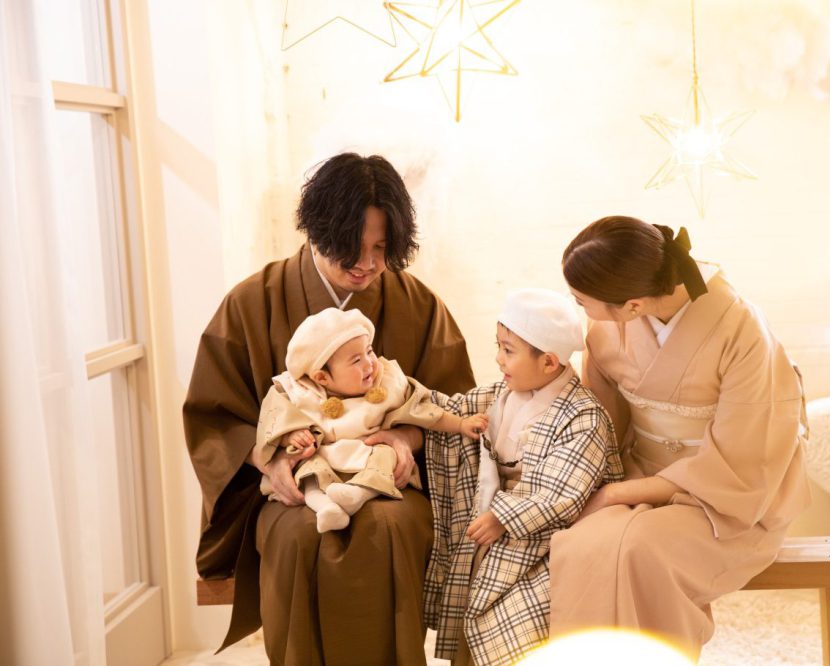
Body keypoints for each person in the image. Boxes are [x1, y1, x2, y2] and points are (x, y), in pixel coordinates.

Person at [183, 152, 475, 665]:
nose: (367, 264)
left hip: (390, 484)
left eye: (381, 248)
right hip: (295, 488)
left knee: (387, 528)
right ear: (317, 231)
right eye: (351, 247)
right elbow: (216, 417)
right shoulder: (252, 302)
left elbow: (455, 405)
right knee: (298, 536)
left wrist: (406, 438)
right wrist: (270, 460)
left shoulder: (417, 304)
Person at [550, 216, 810, 660]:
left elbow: (745, 459)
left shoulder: (742, 330)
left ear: (632, 306)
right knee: (582, 544)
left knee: (642, 549)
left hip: (729, 495)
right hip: (638, 474)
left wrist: (615, 495)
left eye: (581, 301)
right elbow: (599, 420)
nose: (580, 310)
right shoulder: (609, 326)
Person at [423, 288, 625, 666]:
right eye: (498, 346)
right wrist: (404, 416)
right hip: (492, 520)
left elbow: (562, 491)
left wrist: (503, 517)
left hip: (544, 536)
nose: (498, 359)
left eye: (508, 350)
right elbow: (453, 409)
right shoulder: (502, 393)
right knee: (468, 578)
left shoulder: (584, 416)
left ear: (548, 362)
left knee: (511, 610)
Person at [254, 307, 487, 531]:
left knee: (386, 455)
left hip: (367, 452)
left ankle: (357, 495)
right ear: (322, 378)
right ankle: (324, 506)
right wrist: (290, 436)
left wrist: (460, 424)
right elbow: (275, 420)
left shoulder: (388, 382)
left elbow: (424, 410)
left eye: (369, 351)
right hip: (324, 455)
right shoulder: (300, 393)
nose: (370, 363)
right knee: (307, 468)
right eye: (356, 360)